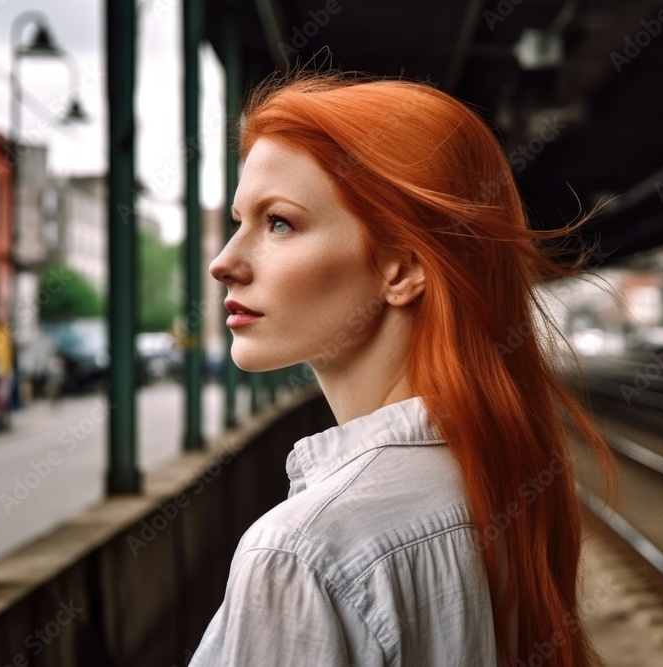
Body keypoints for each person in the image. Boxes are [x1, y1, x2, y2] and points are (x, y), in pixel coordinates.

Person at [192, 72, 617, 667]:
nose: (224, 262)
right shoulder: (506, 484)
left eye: (279, 223)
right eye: (239, 222)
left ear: (400, 269)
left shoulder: (298, 553)